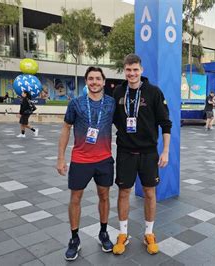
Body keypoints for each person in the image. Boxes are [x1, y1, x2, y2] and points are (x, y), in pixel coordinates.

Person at [112, 54, 172, 256]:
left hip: (148, 153)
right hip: (125, 152)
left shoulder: (154, 92)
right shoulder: (118, 92)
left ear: (141, 70)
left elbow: (166, 124)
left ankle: (149, 233)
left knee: (149, 193)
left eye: (135, 69)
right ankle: (123, 234)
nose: (132, 73)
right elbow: (110, 119)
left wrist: (165, 151)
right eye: (128, 70)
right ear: (124, 70)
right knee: (124, 193)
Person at [56, 67, 115, 261]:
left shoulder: (111, 103)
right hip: (81, 159)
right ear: (86, 82)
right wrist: (61, 158)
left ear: (104, 82)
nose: (95, 82)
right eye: (91, 79)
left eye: (98, 79)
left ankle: (103, 232)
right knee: (75, 199)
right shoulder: (76, 104)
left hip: (104, 159)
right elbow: (65, 129)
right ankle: (74, 239)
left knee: (104, 196)